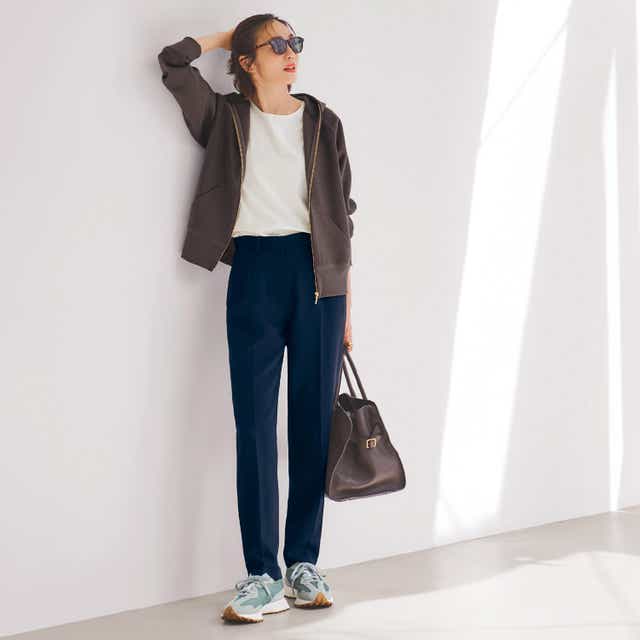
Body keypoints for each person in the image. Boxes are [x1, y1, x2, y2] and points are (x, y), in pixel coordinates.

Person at [157, 13, 358, 624]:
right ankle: (261, 575)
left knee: (311, 426)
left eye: (295, 42)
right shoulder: (224, 118)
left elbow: (343, 215)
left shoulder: (324, 121)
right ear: (247, 61)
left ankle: (302, 564)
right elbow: (172, 62)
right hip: (254, 274)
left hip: (320, 280)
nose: (291, 52)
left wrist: (348, 304)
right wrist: (225, 39)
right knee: (254, 427)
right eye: (276, 45)